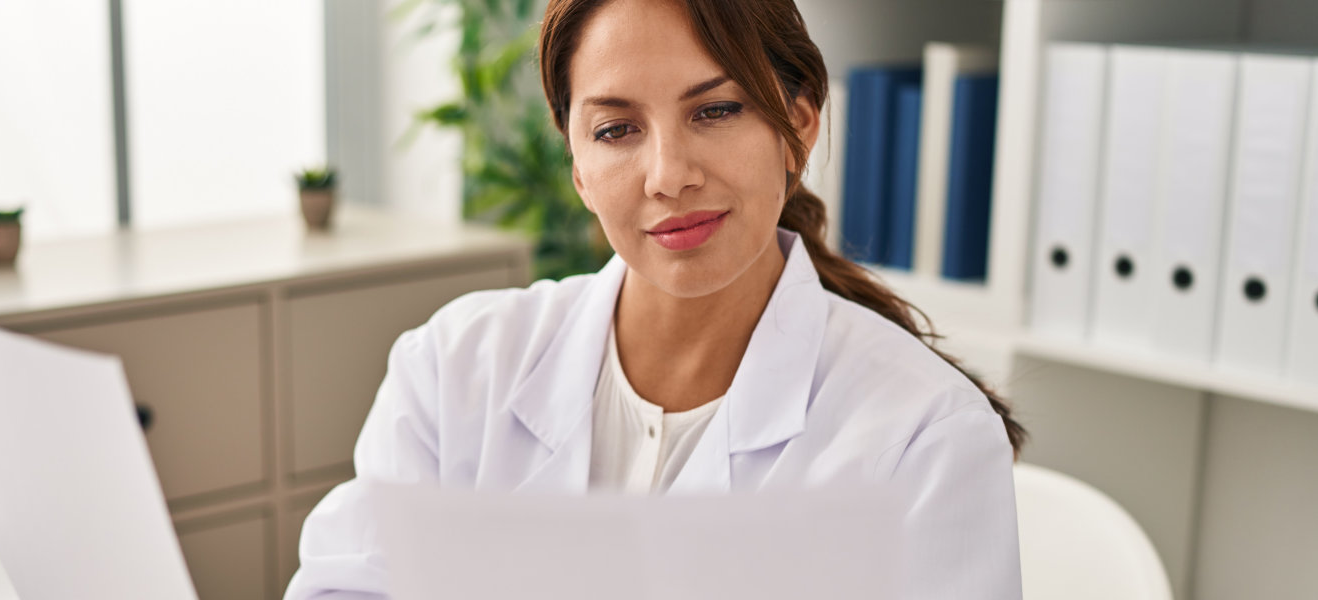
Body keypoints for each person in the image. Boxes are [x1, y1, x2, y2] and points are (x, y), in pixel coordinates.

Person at [286, 0, 1026, 597]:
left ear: (799, 125)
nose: (668, 176)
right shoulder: (453, 368)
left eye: (715, 111)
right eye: (616, 130)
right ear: (577, 164)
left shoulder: (925, 434)